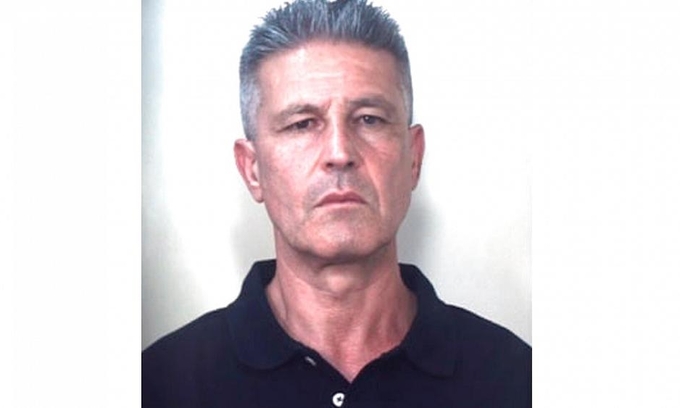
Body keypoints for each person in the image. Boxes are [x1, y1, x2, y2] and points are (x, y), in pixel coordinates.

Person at [142, 0, 531, 406]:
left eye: (369, 119)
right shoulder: (160, 385)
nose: (340, 152)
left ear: (413, 158)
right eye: (302, 124)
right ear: (252, 169)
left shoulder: (517, 380)